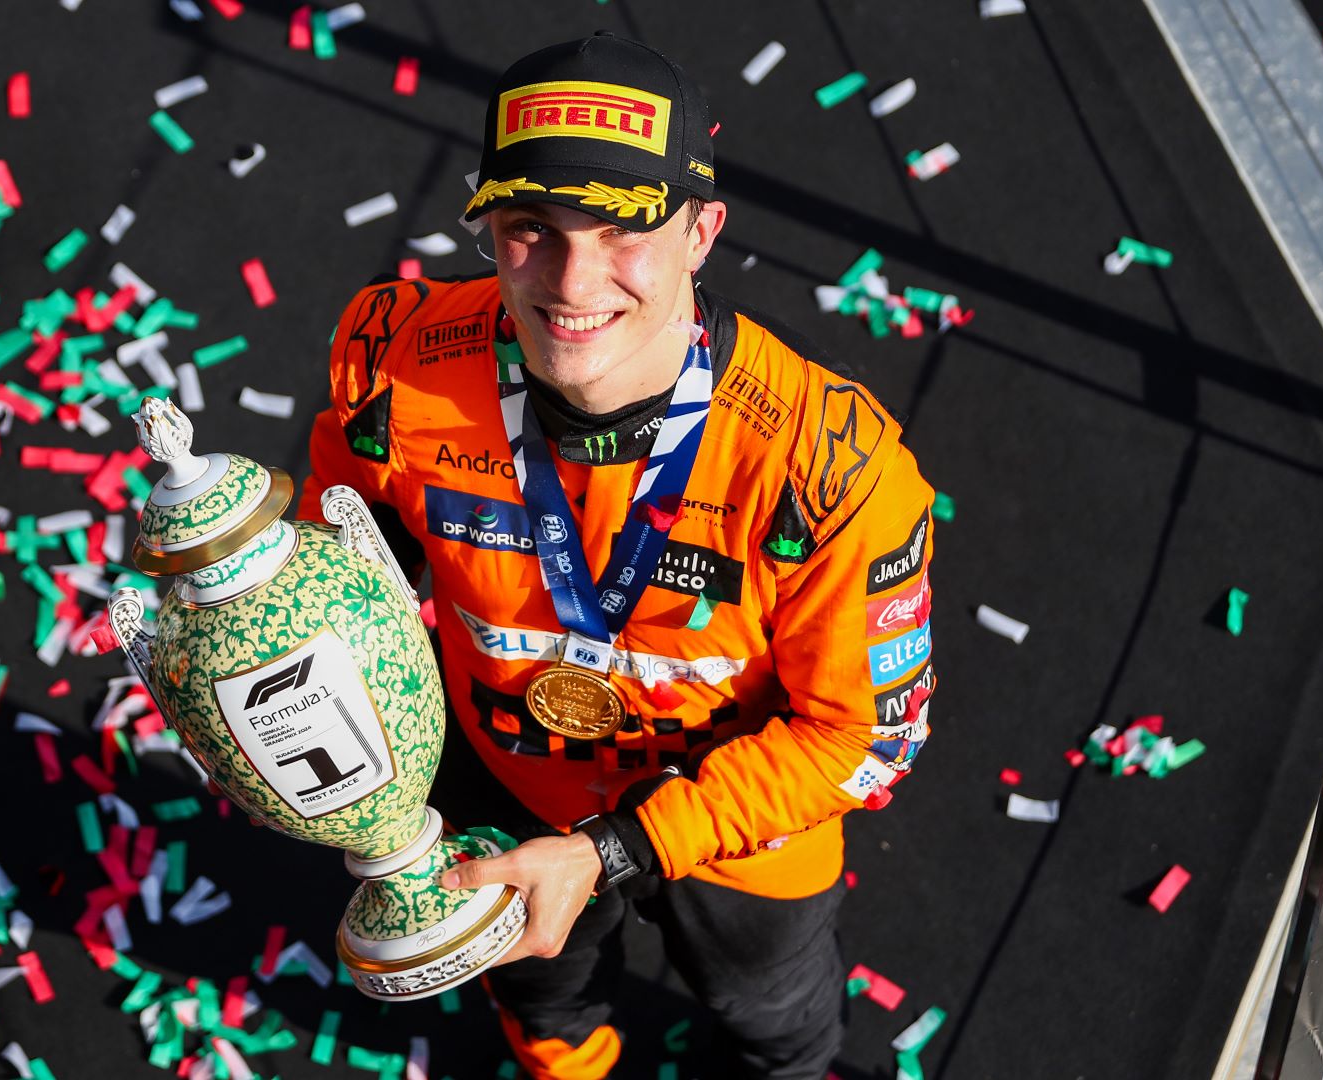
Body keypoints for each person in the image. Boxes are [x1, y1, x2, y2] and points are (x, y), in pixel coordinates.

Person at [302, 32, 938, 1080]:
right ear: (489, 228)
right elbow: (341, 571)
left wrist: (613, 851)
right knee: (545, 1006)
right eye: (530, 228)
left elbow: (867, 740)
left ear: (703, 233)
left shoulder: (830, 467)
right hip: (501, 779)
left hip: (745, 836)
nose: (570, 279)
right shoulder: (396, 369)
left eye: (622, 229)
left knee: (774, 1019)